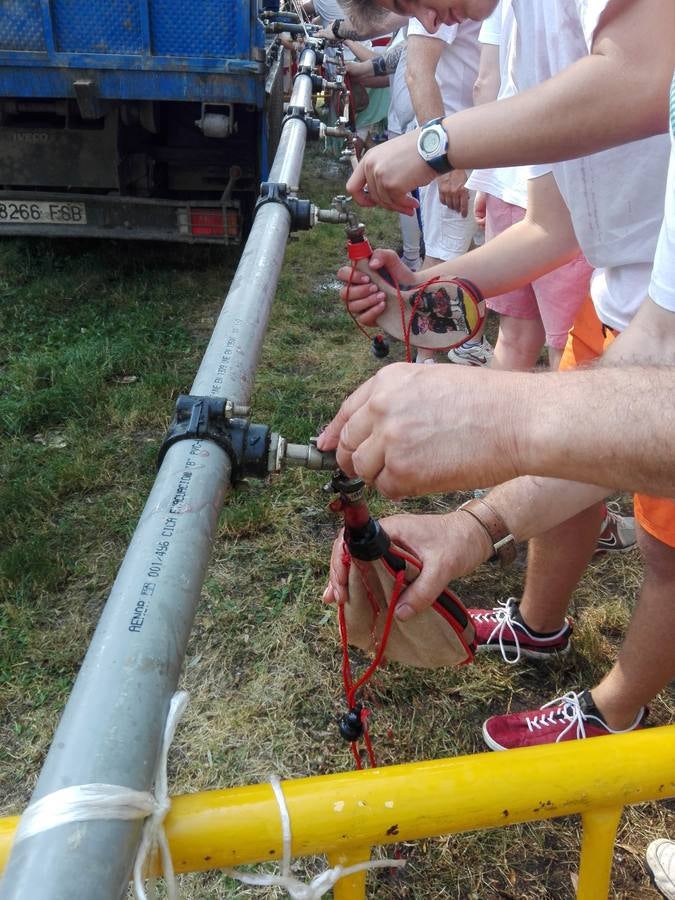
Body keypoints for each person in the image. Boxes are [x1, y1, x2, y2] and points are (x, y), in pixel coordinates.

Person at [318, 0, 675, 751]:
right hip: (630, 300)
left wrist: (437, 142)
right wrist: (428, 299)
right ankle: (542, 629)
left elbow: (641, 77)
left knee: (662, 549)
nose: (418, 13)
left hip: (640, 308)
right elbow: (566, 236)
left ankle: (616, 711)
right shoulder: (518, 26)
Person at [403, 15, 485, 363]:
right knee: (443, 255)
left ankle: (469, 342)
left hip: (490, 144)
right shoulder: (438, 11)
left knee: (481, 253)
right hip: (457, 146)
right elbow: (417, 72)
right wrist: (444, 162)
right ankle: (423, 362)